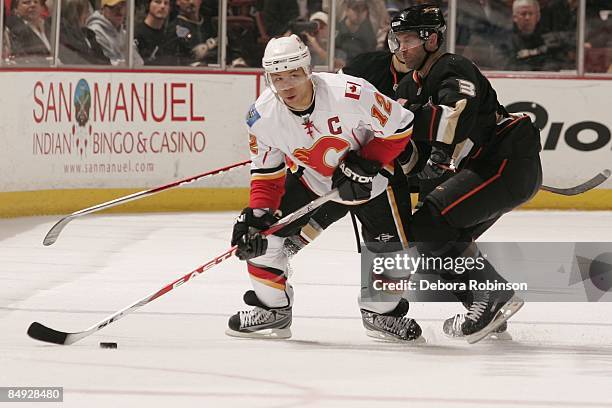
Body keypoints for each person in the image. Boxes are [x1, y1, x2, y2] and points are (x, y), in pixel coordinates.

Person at [227, 34, 422, 342]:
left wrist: (367, 162)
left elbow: (401, 126)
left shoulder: (350, 93)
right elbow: (267, 174)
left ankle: (380, 313)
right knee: (261, 238)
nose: (287, 85)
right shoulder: (262, 117)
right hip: (315, 180)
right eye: (278, 78)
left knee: (394, 259)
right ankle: (273, 309)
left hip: (375, 181)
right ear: (268, 79)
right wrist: (258, 215)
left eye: (294, 74)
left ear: (309, 70)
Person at [392, 4, 542, 342]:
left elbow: (453, 116)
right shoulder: (405, 88)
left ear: (431, 39)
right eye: (397, 40)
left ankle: (492, 297)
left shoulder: (453, 67)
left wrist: (403, 120)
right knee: (427, 240)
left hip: (507, 162)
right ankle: (489, 309)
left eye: (408, 40)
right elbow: (420, 159)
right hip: (488, 167)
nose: (401, 48)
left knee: (429, 226)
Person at [86, 0, 144, 65]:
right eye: (113, 7)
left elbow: (139, 62)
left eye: (123, 6)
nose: (120, 11)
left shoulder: (124, 33)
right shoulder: (94, 32)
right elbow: (108, 65)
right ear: (102, 9)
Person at [163, 0, 217, 66]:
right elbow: (170, 60)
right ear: (178, 2)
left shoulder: (209, 24)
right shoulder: (174, 28)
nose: (191, 2)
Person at [58, 0, 110, 65]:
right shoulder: (66, 35)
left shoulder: (89, 34)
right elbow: (81, 60)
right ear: (76, 14)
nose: (89, 15)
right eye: (86, 12)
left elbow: (102, 57)